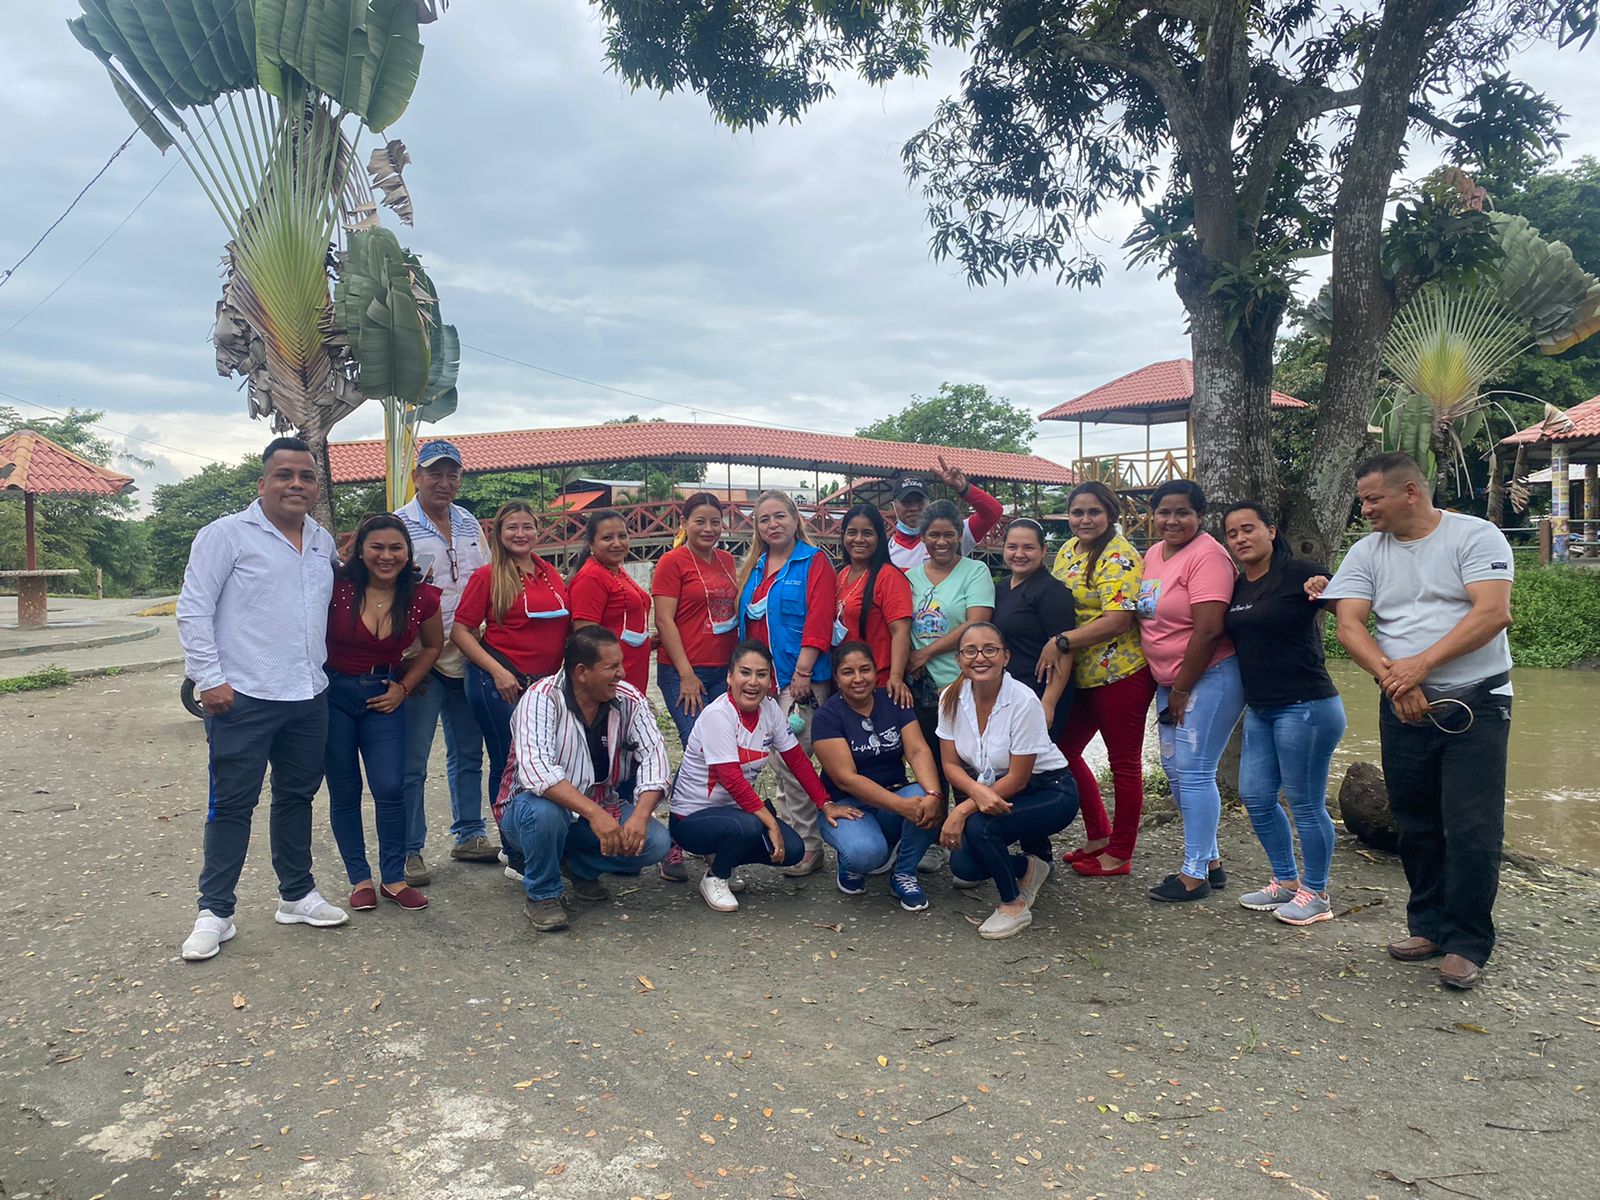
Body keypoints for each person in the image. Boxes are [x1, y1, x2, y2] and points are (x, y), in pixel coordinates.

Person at [1320, 453, 1514, 990]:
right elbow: (1349, 624)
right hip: (1402, 701)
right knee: (1415, 819)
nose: (1365, 509)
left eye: (1372, 499)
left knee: (1471, 825)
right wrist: (1395, 680)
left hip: (1476, 701)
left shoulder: (1475, 536)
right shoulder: (1367, 551)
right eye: (1362, 500)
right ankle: (1427, 924)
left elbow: (1493, 613)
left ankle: (1468, 941)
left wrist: (1419, 667)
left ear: (1410, 491)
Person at [176, 437, 350, 961]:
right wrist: (209, 678)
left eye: (306, 476)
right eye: (284, 475)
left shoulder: (321, 540)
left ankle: (296, 895)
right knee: (231, 804)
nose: (296, 484)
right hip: (242, 696)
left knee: (297, 797)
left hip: (308, 694)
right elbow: (193, 608)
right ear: (263, 483)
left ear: (316, 487)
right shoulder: (226, 535)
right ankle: (215, 911)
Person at [496, 627, 672, 932]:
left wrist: (640, 816)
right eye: (612, 667)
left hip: (601, 805)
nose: (622, 673)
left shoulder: (629, 700)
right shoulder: (541, 699)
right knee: (545, 813)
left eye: (620, 664)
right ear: (581, 672)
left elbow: (655, 757)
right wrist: (595, 814)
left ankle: (576, 865)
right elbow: (537, 772)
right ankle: (543, 894)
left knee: (655, 843)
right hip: (527, 812)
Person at [1222, 501, 1346, 926]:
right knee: (1256, 797)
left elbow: (1351, 610)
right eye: (1232, 533)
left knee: (1305, 803)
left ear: (1271, 531)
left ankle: (1318, 893)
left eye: (1248, 528)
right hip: (1261, 709)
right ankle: (1286, 881)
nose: (1240, 538)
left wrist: (1328, 586)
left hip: (1307, 705)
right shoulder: (1238, 585)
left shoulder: (1300, 573)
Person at [324, 514, 444, 913]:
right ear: (360, 550)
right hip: (333, 694)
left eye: (396, 547)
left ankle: (393, 878)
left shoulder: (422, 596)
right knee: (345, 789)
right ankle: (359, 879)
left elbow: (433, 646)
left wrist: (404, 687)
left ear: (408, 552)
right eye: (377, 547)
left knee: (391, 786)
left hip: (384, 695)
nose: (386, 556)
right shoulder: (337, 588)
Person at [670, 641, 846, 912]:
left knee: (793, 849)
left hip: (734, 814)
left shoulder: (770, 709)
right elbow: (731, 780)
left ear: (770, 680)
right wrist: (771, 823)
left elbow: (797, 760)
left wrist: (825, 803)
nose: (753, 682)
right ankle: (716, 877)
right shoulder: (718, 715)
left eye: (761, 674)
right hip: (690, 819)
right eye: (745, 672)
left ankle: (722, 859)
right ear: (730, 677)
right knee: (752, 825)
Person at [1135, 480, 1243, 903]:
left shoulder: (1208, 556)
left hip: (1209, 677)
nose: (1172, 520)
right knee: (1176, 771)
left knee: (1196, 771)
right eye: (1164, 512)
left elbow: (1210, 629)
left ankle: (1194, 875)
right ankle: (1211, 861)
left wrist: (1181, 687)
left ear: (1200, 516)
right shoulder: (1153, 554)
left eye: (1182, 512)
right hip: (1170, 682)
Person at [935, 623, 1078, 940]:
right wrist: (976, 793)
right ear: (959, 659)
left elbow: (1018, 777)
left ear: (1006, 657)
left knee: (980, 827)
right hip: (999, 788)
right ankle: (1029, 868)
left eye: (990, 649)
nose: (980, 657)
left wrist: (961, 810)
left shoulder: (1023, 701)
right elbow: (950, 764)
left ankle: (1013, 905)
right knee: (964, 867)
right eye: (970, 651)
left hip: (1050, 791)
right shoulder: (951, 698)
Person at [1043, 482, 1157, 878]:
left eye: (1094, 512)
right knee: (1063, 750)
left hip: (1120, 673)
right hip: (1079, 674)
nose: (1085, 519)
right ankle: (1098, 835)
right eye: (1078, 512)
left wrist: (1063, 640)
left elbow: (1119, 618)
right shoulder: (1067, 550)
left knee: (1123, 763)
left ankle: (1120, 852)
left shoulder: (1119, 556)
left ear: (1110, 514)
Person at [397, 439, 496, 889]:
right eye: (434, 473)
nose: (443, 482)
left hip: (468, 653)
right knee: (413, 761)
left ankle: (469, 834)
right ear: (416, 477)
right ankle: (408, 849)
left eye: (451, 474)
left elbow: (487, 580)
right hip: (420, 659)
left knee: (468, 751)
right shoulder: (400, 525)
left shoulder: (470, 522)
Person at [451, 501, 571, 872]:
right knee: (508, 764)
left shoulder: (549, 572)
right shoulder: (487, 576)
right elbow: (461, 631)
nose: (521, 534)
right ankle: (513, 852)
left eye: (527, 526)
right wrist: (498, 672)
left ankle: (537, 840)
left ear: (537, 530)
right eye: (512, 527)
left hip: (543, 687)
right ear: (499, 534)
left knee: (542, 761)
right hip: (498, 682)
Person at [736, 490, 838, 877]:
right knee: (778, 764)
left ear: (796, 519)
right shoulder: (756, 567)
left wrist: (803, 672)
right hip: (764, 682)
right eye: (764, 519)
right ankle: (791, 837)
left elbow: (819, 618)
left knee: (794, 762)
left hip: (798, 681)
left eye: (780, 516)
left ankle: (809, 845)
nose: (773, 524)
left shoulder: (813, 562)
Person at [811, 641, 944, 911]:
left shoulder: (894, 701)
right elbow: (846, 779)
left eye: (865, 669)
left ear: (875, 671)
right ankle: (850, 862)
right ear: (836, 678)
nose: (858, 678)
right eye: (848, 672)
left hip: (893, 795)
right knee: (865, 854)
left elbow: (918, 750)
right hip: (846, 806)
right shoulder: (827, 716)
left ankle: (904, 873)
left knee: (927, 800)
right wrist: (901, 806)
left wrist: (934, 793)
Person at [652, 491, 741, 881]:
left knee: (720, 754)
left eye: (715, 522)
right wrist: (686, 673)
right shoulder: (672, 562)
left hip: (722, 671)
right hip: (684, 672)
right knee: (697, 751)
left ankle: (707, 837)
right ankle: (675, 839)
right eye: (699, 521)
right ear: (684, 524)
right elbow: (664, 620)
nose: (708, 528)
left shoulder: (727, 560)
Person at [906, 499, 996, 794]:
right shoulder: (910, 578)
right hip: (922, 687)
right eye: (934, 535)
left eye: (948, 535)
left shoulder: (975, 571)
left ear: (959, 536)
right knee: (931, 762)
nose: (941, 542)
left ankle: (971, 817)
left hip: (961, 683)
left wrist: (925, 653)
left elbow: (976, 624)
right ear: (923, 537)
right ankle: (937, 818)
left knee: (967, 764)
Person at [991, 517, 1076, 741]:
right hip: (1007, 691)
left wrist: (1048, 703)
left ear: (1043, 549)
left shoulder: (1053, 591)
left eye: (1028, 547)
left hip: (1038, 691)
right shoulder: (1000, 587)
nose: (1019, 554)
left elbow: (1065, 652)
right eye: (1012, 547)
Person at [835, 503, 914, 707]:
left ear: (879, 538)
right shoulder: (842, 574)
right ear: (843, 536)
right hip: (846, 684)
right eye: (852, 532)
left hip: (878, 685)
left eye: (867, 533)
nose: (859, 539)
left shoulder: (888, 576)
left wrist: (895, 677)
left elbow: (900, 631)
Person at [568, 508, 653, 694]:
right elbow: (586, 639)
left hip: (632, 672)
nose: (617, 543)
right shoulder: (591, 578)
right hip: (612, 679)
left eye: (622, 536)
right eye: (607, 538)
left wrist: (648, 642)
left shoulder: (616, 570)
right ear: (591, 543)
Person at [887, 455, 1005, 569]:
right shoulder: (884, 549)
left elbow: (994, 512)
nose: (914, 508)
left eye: (919, 501)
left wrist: (964, 489)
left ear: (928, 503)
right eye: (906, 502)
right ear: (893, 506)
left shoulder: (953, 534)